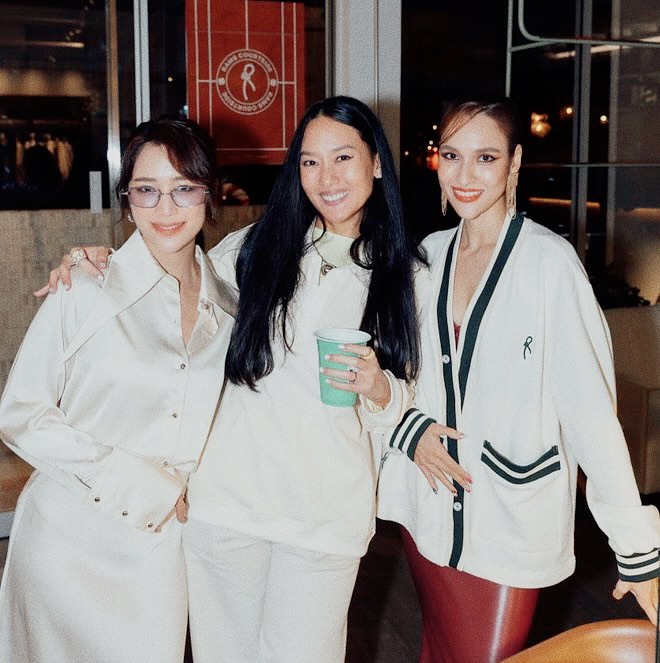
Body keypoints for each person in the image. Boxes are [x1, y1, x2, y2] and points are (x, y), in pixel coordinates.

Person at [34, 96, 439, 663]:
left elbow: (404, 397)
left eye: (343, 158)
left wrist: (378, 389)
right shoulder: (252, 250)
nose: (327, 177)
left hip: (324, 517)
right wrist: (96, 261)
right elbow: (170, 272)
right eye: (310, 161)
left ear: (375, 163)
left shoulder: (408, 277)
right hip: (225, 507)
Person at [374, 97, 660, 663]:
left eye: (486, 157)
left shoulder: (549, 264)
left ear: (515, 162)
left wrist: (637, 548)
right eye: (452, 155)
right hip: (428, 507)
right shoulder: (427, 256)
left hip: (510, 515)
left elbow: (590, 414)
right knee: (438, 652)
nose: (465, 174)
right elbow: (399, 375)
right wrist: (408, 431)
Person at [0, 117, 237, 663]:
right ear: (127, 201)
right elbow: (21, 414)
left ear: (210, 194)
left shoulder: (229, 304)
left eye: (184, 188)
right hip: (67, 545)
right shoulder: (85, 287)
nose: (165, 208)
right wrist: (140, 483)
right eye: (146, 190)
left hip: (160, 554)